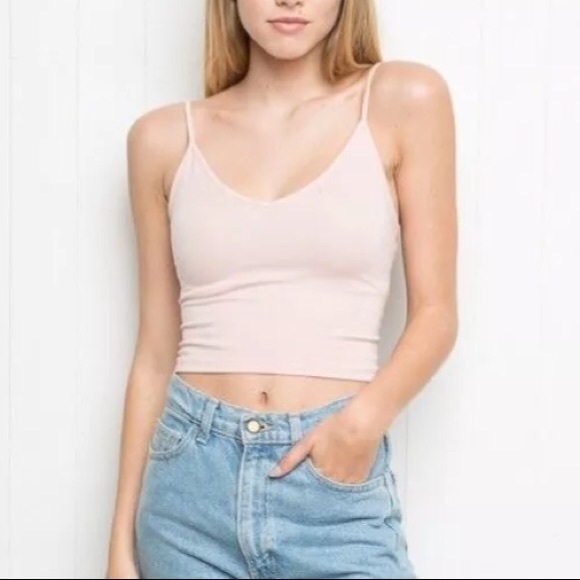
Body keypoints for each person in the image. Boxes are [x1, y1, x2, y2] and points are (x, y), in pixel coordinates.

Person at [106, 0, 457, 578]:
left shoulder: (404, 101)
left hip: (332, 491)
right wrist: (119, 544)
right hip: (188, 491)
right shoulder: (161, 139)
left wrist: (359, 425)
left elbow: (436, 314)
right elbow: (153, 354)